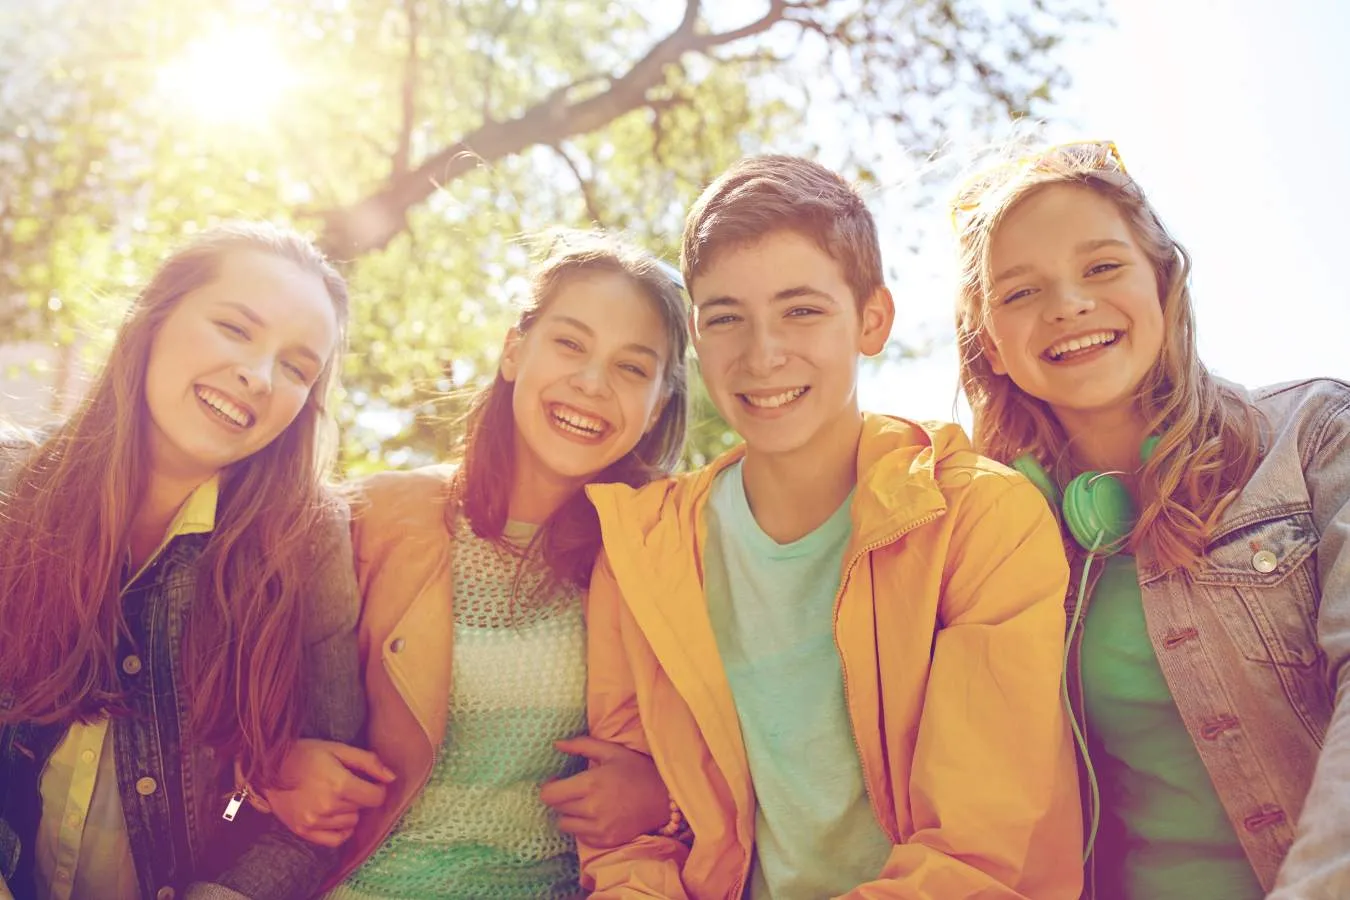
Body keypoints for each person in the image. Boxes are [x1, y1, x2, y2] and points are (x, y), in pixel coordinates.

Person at [579, 154, 1084, 898]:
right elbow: (631, 841)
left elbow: (977, 851)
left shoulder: (981, 520)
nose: (763, 354)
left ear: (871, 320)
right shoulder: (643, 549)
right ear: (696, 334)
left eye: (802, 310)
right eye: (727, 319)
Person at [952, 139, 1350, 898]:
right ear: (991, 346)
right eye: (1020, 292)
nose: (1068, 304)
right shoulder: (993, 537)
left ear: (1165, 285)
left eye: (1101, 267)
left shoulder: (1317, 435)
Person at [265, 231, 692, 900]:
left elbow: (753, 775)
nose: (590, 382)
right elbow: (212, 764)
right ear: (515, 350)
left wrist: (665, 800)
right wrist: (274, 776)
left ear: (659, 403)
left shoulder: (671, 556)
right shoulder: (370, 519)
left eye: (632, 368)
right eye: (570, 343)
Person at [0, 222, 362, 900]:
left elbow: (321, 811)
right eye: (235, 327)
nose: (257, 376)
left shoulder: (308, 543)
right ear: (154, 317)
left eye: (295, 367)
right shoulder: (10, 487)